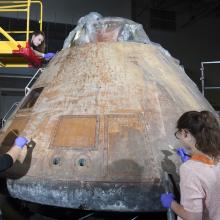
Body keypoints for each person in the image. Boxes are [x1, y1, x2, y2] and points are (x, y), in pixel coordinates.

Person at [160, 110, 220, 220]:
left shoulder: (189, 169)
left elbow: (193, 217)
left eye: (179, 134)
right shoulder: (217, 159)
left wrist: (171, 203)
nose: (180, 137)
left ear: (185, 133)